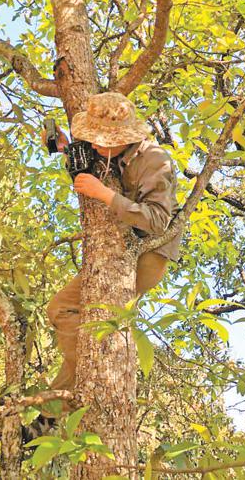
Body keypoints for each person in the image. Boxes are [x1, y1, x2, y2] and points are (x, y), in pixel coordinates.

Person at [43, 92, 181, 394]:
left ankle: (91, 386)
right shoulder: (108, 151)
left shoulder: (154, 160)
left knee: (65, 308)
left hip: (149, 252)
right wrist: (68, 149)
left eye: (99, 140)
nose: (94, 146)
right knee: (68, 312)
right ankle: (56, 410)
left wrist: (105, 195)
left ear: (123, 138)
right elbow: (93, 165)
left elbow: (158, 220)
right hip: (124, 243)